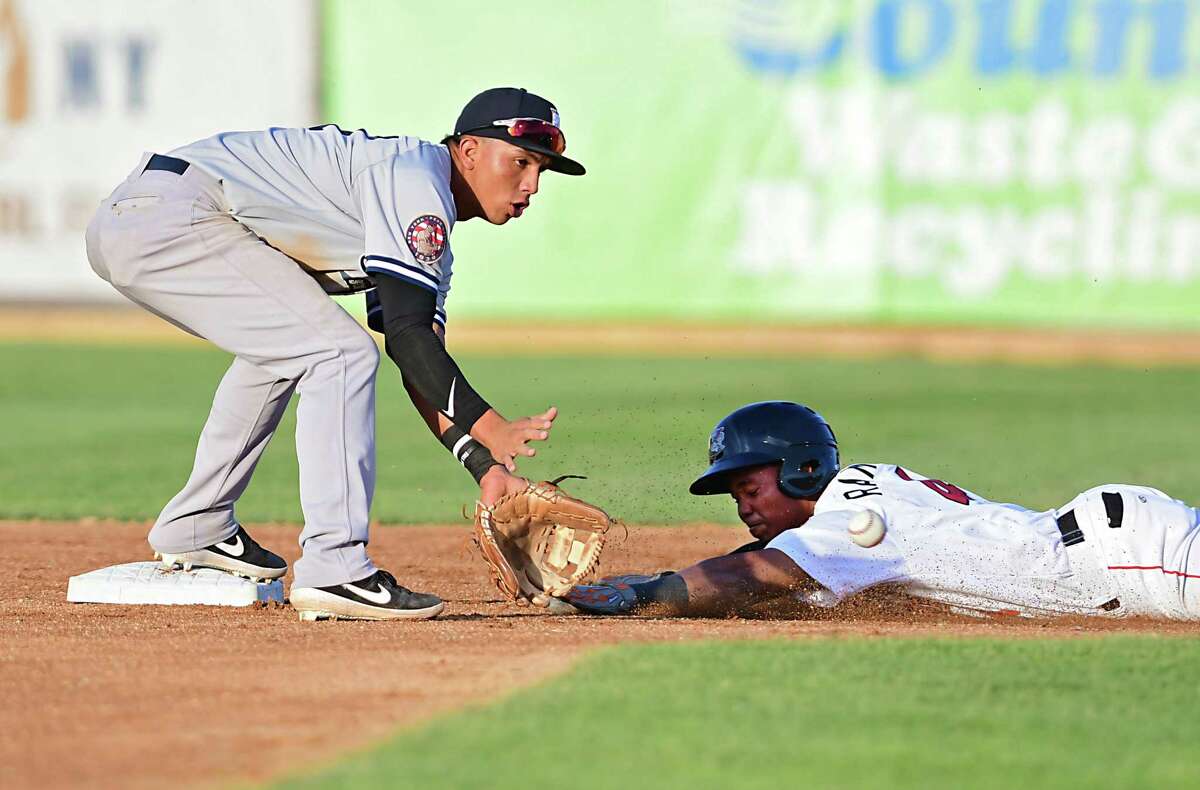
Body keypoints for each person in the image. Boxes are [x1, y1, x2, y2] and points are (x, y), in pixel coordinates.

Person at [84, 87, 586, 621]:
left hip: (156, 214)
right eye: (522, 161)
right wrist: (491, 426)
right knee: (339, 353)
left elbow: (415, 355)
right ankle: (336, 567)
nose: (531, 185)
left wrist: (484, 467)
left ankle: (197, 523)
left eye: (542, 170)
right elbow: (409, 337)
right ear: (467, 151)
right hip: (169, 214)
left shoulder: (419, 210)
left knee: (294, 348)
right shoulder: (416, 180)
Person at [565, 401, 1200, 620]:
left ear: (801, 469)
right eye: (736, 499)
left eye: (749, 489)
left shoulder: (848, 521)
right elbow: (760, 565)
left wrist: (650, 593)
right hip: (1115, 548)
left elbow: (758, 576)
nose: (745, 509)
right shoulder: (854, 509)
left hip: (1129, 561)